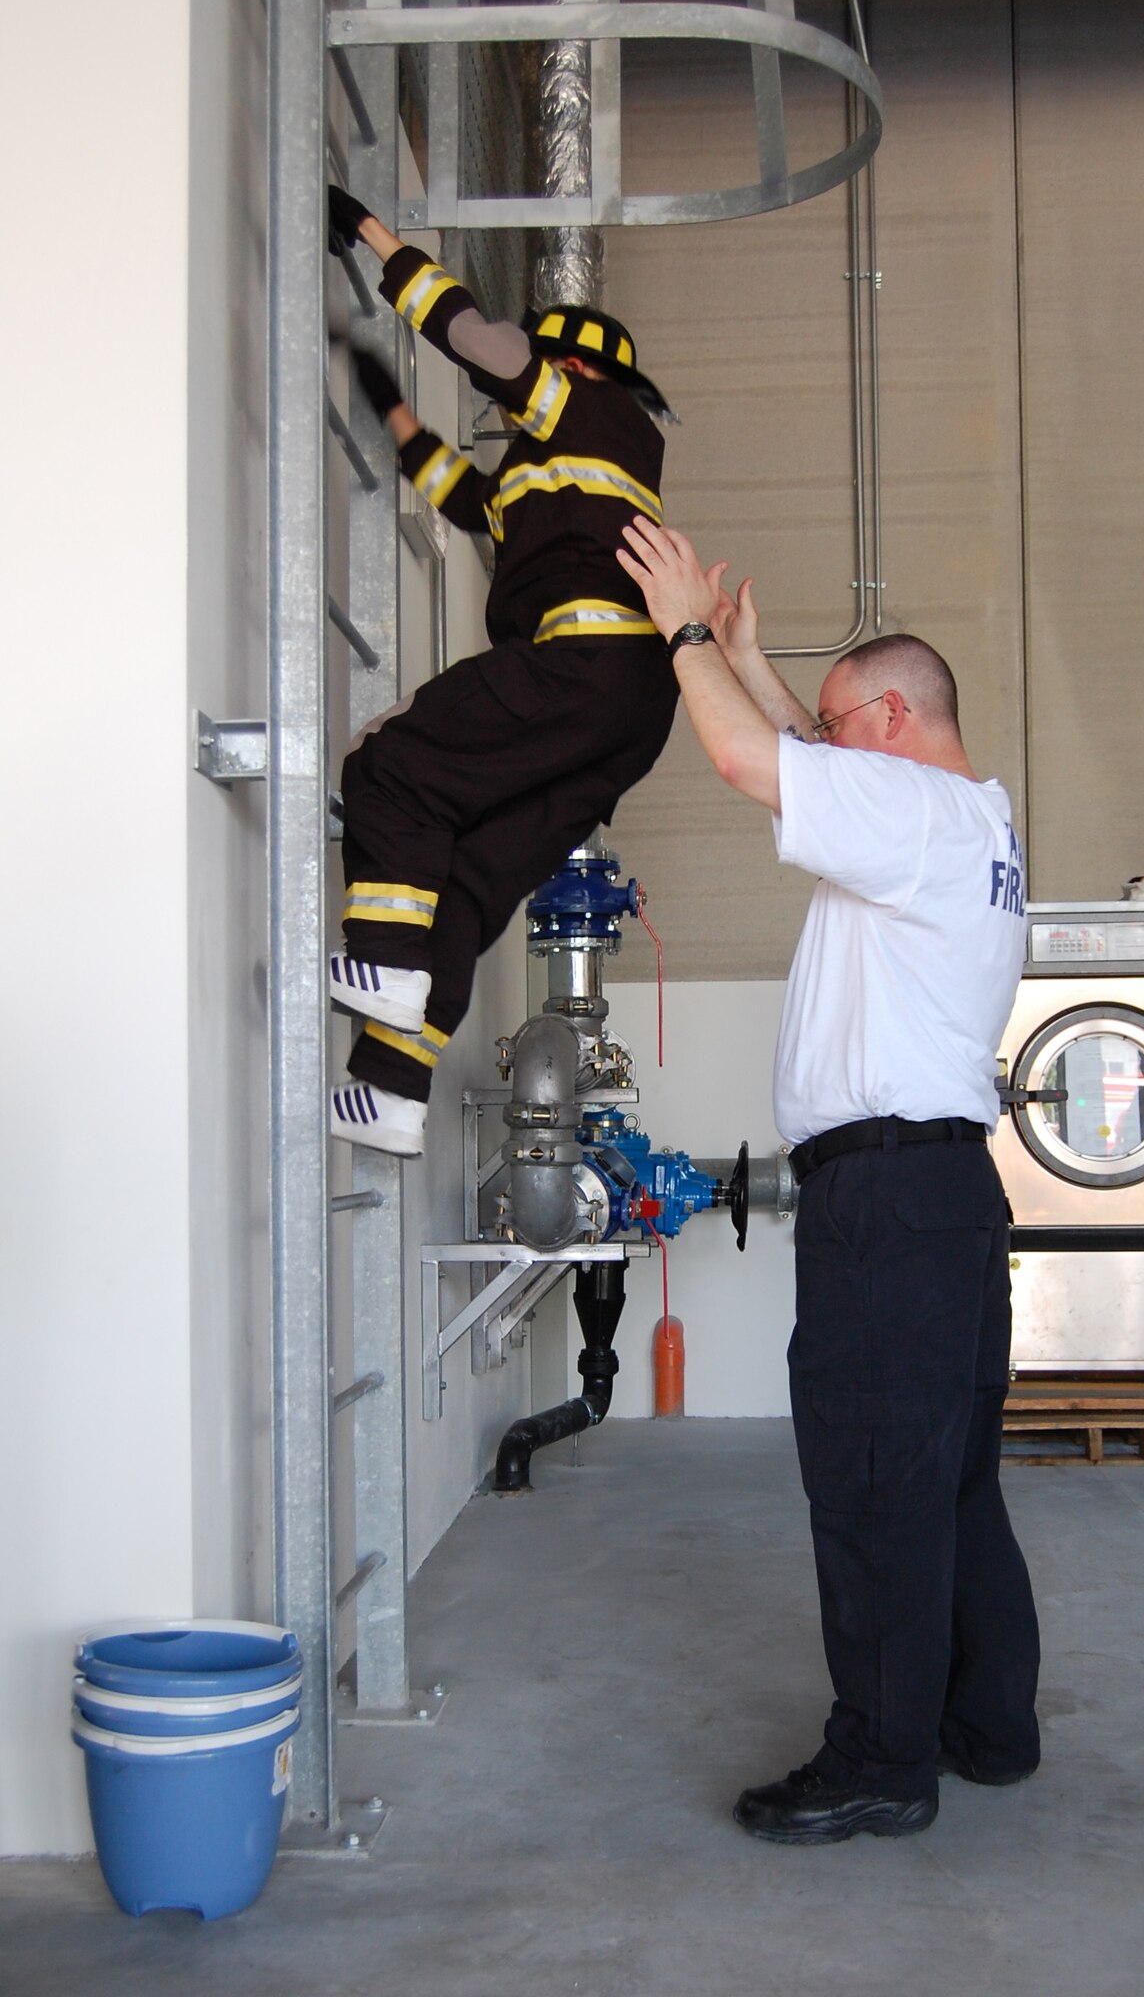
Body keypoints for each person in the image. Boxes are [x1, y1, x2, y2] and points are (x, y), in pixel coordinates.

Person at [617, 516, 1041, 1846]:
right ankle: (985, 1729)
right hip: (946, 1198)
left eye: (844, 720)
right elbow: (804, 749)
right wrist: (753, 664)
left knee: (871, 1487)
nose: (821, 739)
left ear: (899, 720)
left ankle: (878, 1762)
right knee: (951, 1483)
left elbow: (756, 764)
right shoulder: (964, 818)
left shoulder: (909, 813)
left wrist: (687, 633)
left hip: (889, 1213)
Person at [325, 187, 678, 1157]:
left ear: (565, 365)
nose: (505, 397)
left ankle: (387, 964)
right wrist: (381, 399)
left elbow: (472, 333)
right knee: (470, 879)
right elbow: (456, 489)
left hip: (583, 657)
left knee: (391, 769)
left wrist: (367, 234)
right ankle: (392, 1092)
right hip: (633, 704)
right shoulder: (554, 478)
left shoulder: (587, 406)